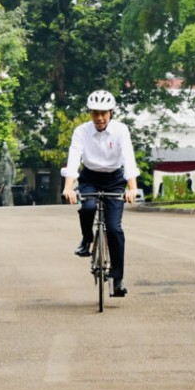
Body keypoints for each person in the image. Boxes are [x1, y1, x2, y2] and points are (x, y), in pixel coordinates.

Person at [62, 89, 139, 298]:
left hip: (115, 180)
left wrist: (132, 188)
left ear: (111, 112)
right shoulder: (81, 131)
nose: (99, 118)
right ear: (90, 113)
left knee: (114, 228)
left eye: (104, 113)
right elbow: (73, 159)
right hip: (90, 178)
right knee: (87, 208)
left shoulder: (121, 130)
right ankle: (87, 239)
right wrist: (68, 187)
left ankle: (117, 279)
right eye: (95, 113)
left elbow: (128, 159)